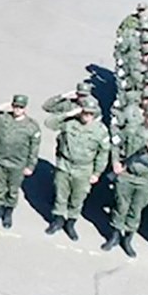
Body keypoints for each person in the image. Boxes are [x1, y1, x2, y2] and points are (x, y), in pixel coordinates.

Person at [102, 103, 148, 257]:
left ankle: (128, 239)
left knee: (136, 210)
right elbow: (116, 144)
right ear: (145, 116)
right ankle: (115, 235)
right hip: (126, 175)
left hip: (146, 181)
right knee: (120, 206)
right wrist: (116, 161)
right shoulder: (132, 130)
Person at [43, 97, 110, 240]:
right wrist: (69, 114)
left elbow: (103, 153)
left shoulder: (100, 131)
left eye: (91, 114)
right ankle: (58, 220)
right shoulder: (70, 123)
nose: (87, 116)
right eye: (85, 112)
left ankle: (71, 223)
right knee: (61, 195)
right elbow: (49, 123)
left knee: (77, 198)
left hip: (84, 169)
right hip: (65, 165)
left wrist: (97, 173)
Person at [0, 94, 42, 229]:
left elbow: (34, 149)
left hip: (18, 164)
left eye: (20, 107)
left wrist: (30, 166)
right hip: (0, 160)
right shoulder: (2, 118)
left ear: (25, 109)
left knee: (12, 190)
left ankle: (8, 212)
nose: (17, 109)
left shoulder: (31, 126)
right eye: (15, 106)